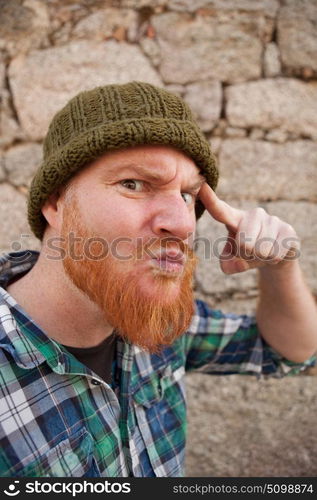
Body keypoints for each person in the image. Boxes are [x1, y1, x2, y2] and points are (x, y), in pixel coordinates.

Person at [0, 81, 316, 478]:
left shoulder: (160, 323)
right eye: (134, 184)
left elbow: (288, 350)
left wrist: (281, 267)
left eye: (187, 194)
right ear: (55, 202)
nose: (183, 223)